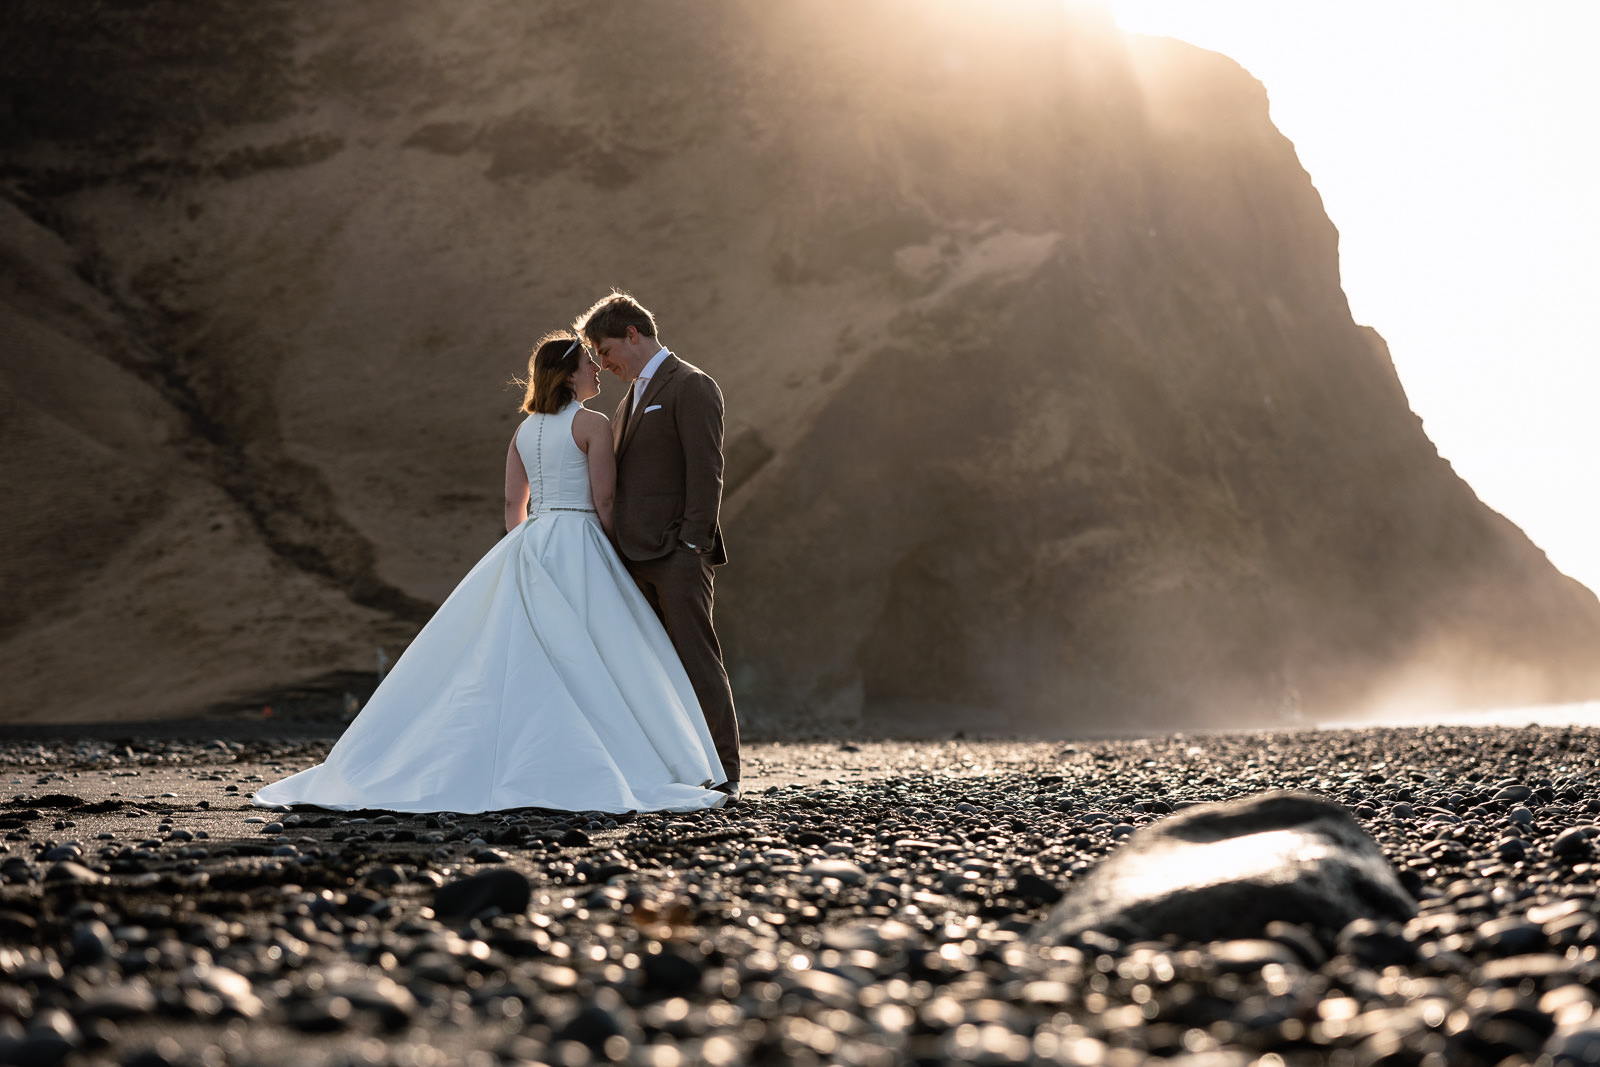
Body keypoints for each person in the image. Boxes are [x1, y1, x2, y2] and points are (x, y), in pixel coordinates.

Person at [253, 332, 731, 814]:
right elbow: (605, 499)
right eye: (589, 362)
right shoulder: (592, 425)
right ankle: (623, 757)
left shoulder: (524, 431)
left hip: (534, 540)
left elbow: (511, 504)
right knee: (603, 654)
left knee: (525, 654)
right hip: (581, 537)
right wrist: (609, 550)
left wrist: (525, 546)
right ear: (568, 375)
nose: (597, 370)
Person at [576, 293, 742, 801]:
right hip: (632, 557)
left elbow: (707, 470)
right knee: (652, 670)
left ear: (632, 334)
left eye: (605, 351)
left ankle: (726, 774)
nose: (604, 364)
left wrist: (691, 542)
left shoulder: (692, 385)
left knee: (696, 660)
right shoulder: (628, 399)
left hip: (676, 555)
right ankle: (676, 768)